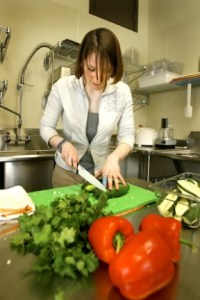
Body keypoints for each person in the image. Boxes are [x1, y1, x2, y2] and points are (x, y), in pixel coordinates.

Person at [40, 27, 135, 189]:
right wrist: (62, 143)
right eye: (91, 69)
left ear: (114, 67)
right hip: (65, 175)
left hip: (101, 175)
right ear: (82, 61)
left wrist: (114, 158)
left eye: (105, 70)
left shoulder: (122, 92)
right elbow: (46, 127)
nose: (97, 78)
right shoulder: (63, 87)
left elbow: (127, 135)